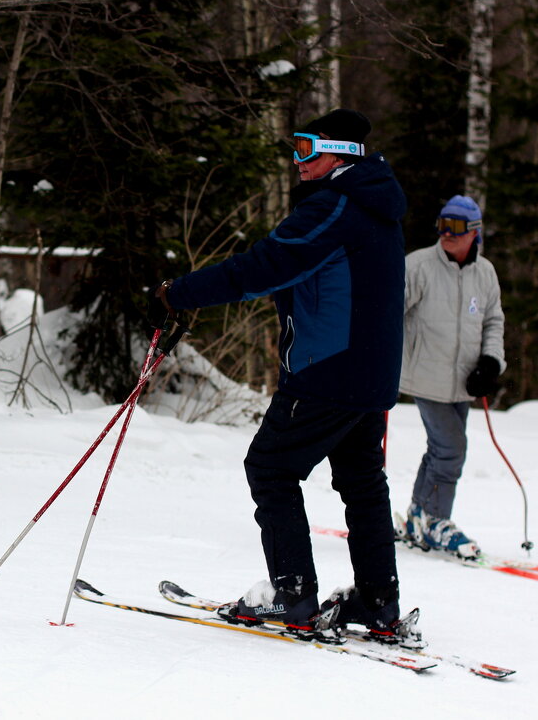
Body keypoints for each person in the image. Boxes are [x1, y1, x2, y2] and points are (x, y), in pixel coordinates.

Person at [154, 109, 410, 639]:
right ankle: (378, 602)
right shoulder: (378, 205)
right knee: (363, 483)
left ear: (342, 154)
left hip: (327, 373)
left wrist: (177, 293)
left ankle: (292, 594)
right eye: (295, 148)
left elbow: (263, 267)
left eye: (307, 150)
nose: (298, 161)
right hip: (371, 375)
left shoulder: (335, 207)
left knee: (270, 468)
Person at [398, 195, 504, 560]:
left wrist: (490, 362)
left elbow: (493, 321)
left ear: (474, 232)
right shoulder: (420, 266)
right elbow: (389, 314)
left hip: (463, 381)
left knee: (441, 450)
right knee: (451, 450)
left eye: (456, 227)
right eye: (442, 224)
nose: (446, 233)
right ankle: (437, 520)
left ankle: (418, 517)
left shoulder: (485, 272)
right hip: (425, 375)